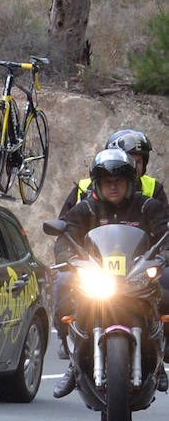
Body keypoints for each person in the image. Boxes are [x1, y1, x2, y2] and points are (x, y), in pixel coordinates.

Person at [53, 130, 167, 397]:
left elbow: (164, 232)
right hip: (97, 275)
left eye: (118, 181)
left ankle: (160, 356)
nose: (112, 186)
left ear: (130, 181)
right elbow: (66, 234)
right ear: (98, 184)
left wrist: (163, 255)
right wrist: (67, 258)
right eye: (107, 182)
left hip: (137, 272)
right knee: (63, 281)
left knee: (167, 287)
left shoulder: (148, 206)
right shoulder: (87, 209)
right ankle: (71, 357)